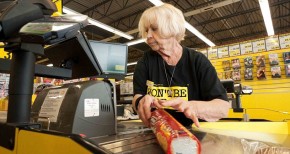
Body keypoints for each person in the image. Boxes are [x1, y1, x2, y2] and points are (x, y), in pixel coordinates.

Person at [132, 3, 230, 128]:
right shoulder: (145, 61)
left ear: (172, 28)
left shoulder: (197, 60)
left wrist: (193, 106)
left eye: (154, 28)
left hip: (196, 133)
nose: (148, 36)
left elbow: (223, 107)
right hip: (160, 131)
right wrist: (141, 101)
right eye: (146, 31)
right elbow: (137, 97)